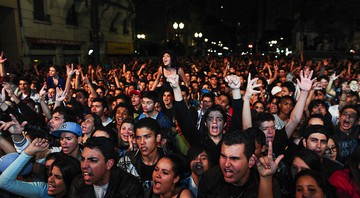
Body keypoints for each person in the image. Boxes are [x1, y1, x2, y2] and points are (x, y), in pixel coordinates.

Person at [198, 130, 283, 198]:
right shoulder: (209, 179)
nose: (226, 164)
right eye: (223, 156)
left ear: (251, 162)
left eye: (234, 159)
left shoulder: (267, 184)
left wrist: (265, 178)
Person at [0, 138, 81, 198]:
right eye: (50, 174)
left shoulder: (85, 194)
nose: (50, 179)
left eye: (58, 177)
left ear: (70, 179)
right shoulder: (43, 190)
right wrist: (28, 152)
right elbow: (4, 182)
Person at [69, 137, 143, 197]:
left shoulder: (129, 186)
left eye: (92, 160)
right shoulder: (78, 183)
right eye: (82, 159)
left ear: (109, 164)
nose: (84, 165)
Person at [117, 117, 165, 191]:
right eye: (138, 137)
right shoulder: (125, 163)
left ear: (158, 138)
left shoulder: (169, 162)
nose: (142, 142)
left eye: (147, 137)